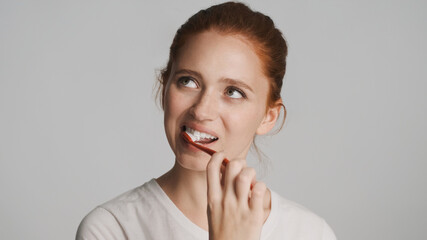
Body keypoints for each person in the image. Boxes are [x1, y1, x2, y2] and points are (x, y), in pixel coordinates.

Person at [76, 2, 337, 240]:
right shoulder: (111, 229)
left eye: (233, 91)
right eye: (188, 81)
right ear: (164, 87)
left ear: (268, 117)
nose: (201, 111)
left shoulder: (311, 233)